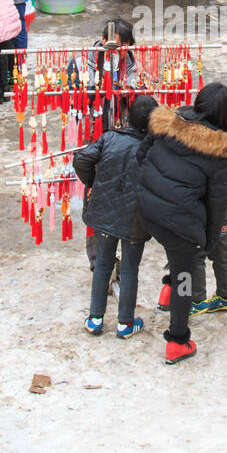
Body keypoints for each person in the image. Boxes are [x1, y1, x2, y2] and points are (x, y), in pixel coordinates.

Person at [136, 83, 227, 365]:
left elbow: (140, 155)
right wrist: (206, 242)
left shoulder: (170, 121)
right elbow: (217, 204)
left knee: (176, 243)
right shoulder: (219, 151)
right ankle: (178, 341)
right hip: (178, 222)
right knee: (187, 273)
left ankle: (168, 286)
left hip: (148, 209)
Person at [77, 94, 159, 339]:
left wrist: (94, 182)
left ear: (128, 117)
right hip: (135, 218)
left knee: (103, 263)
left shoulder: (109, 138)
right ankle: (125, 323)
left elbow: (82, 159)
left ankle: (95, 319)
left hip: (104, 211)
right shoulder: (153, 149)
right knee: (130, 268)